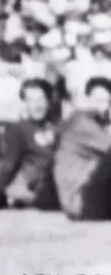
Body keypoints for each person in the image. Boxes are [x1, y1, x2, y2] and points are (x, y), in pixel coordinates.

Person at [0, 78, 60, 211]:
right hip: (46, 185)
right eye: (30, 100)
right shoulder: (19, 130)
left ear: (49, 101)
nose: (36, 106)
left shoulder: (60, 126)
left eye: (40, 100)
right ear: (24, 103)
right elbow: (8, 164)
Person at [54, 76, 111, 221]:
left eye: (108, 102)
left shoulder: (92, 123)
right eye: (99, 100)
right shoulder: (82, 124)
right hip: (82, 202)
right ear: (85, 100)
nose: (104, 107)